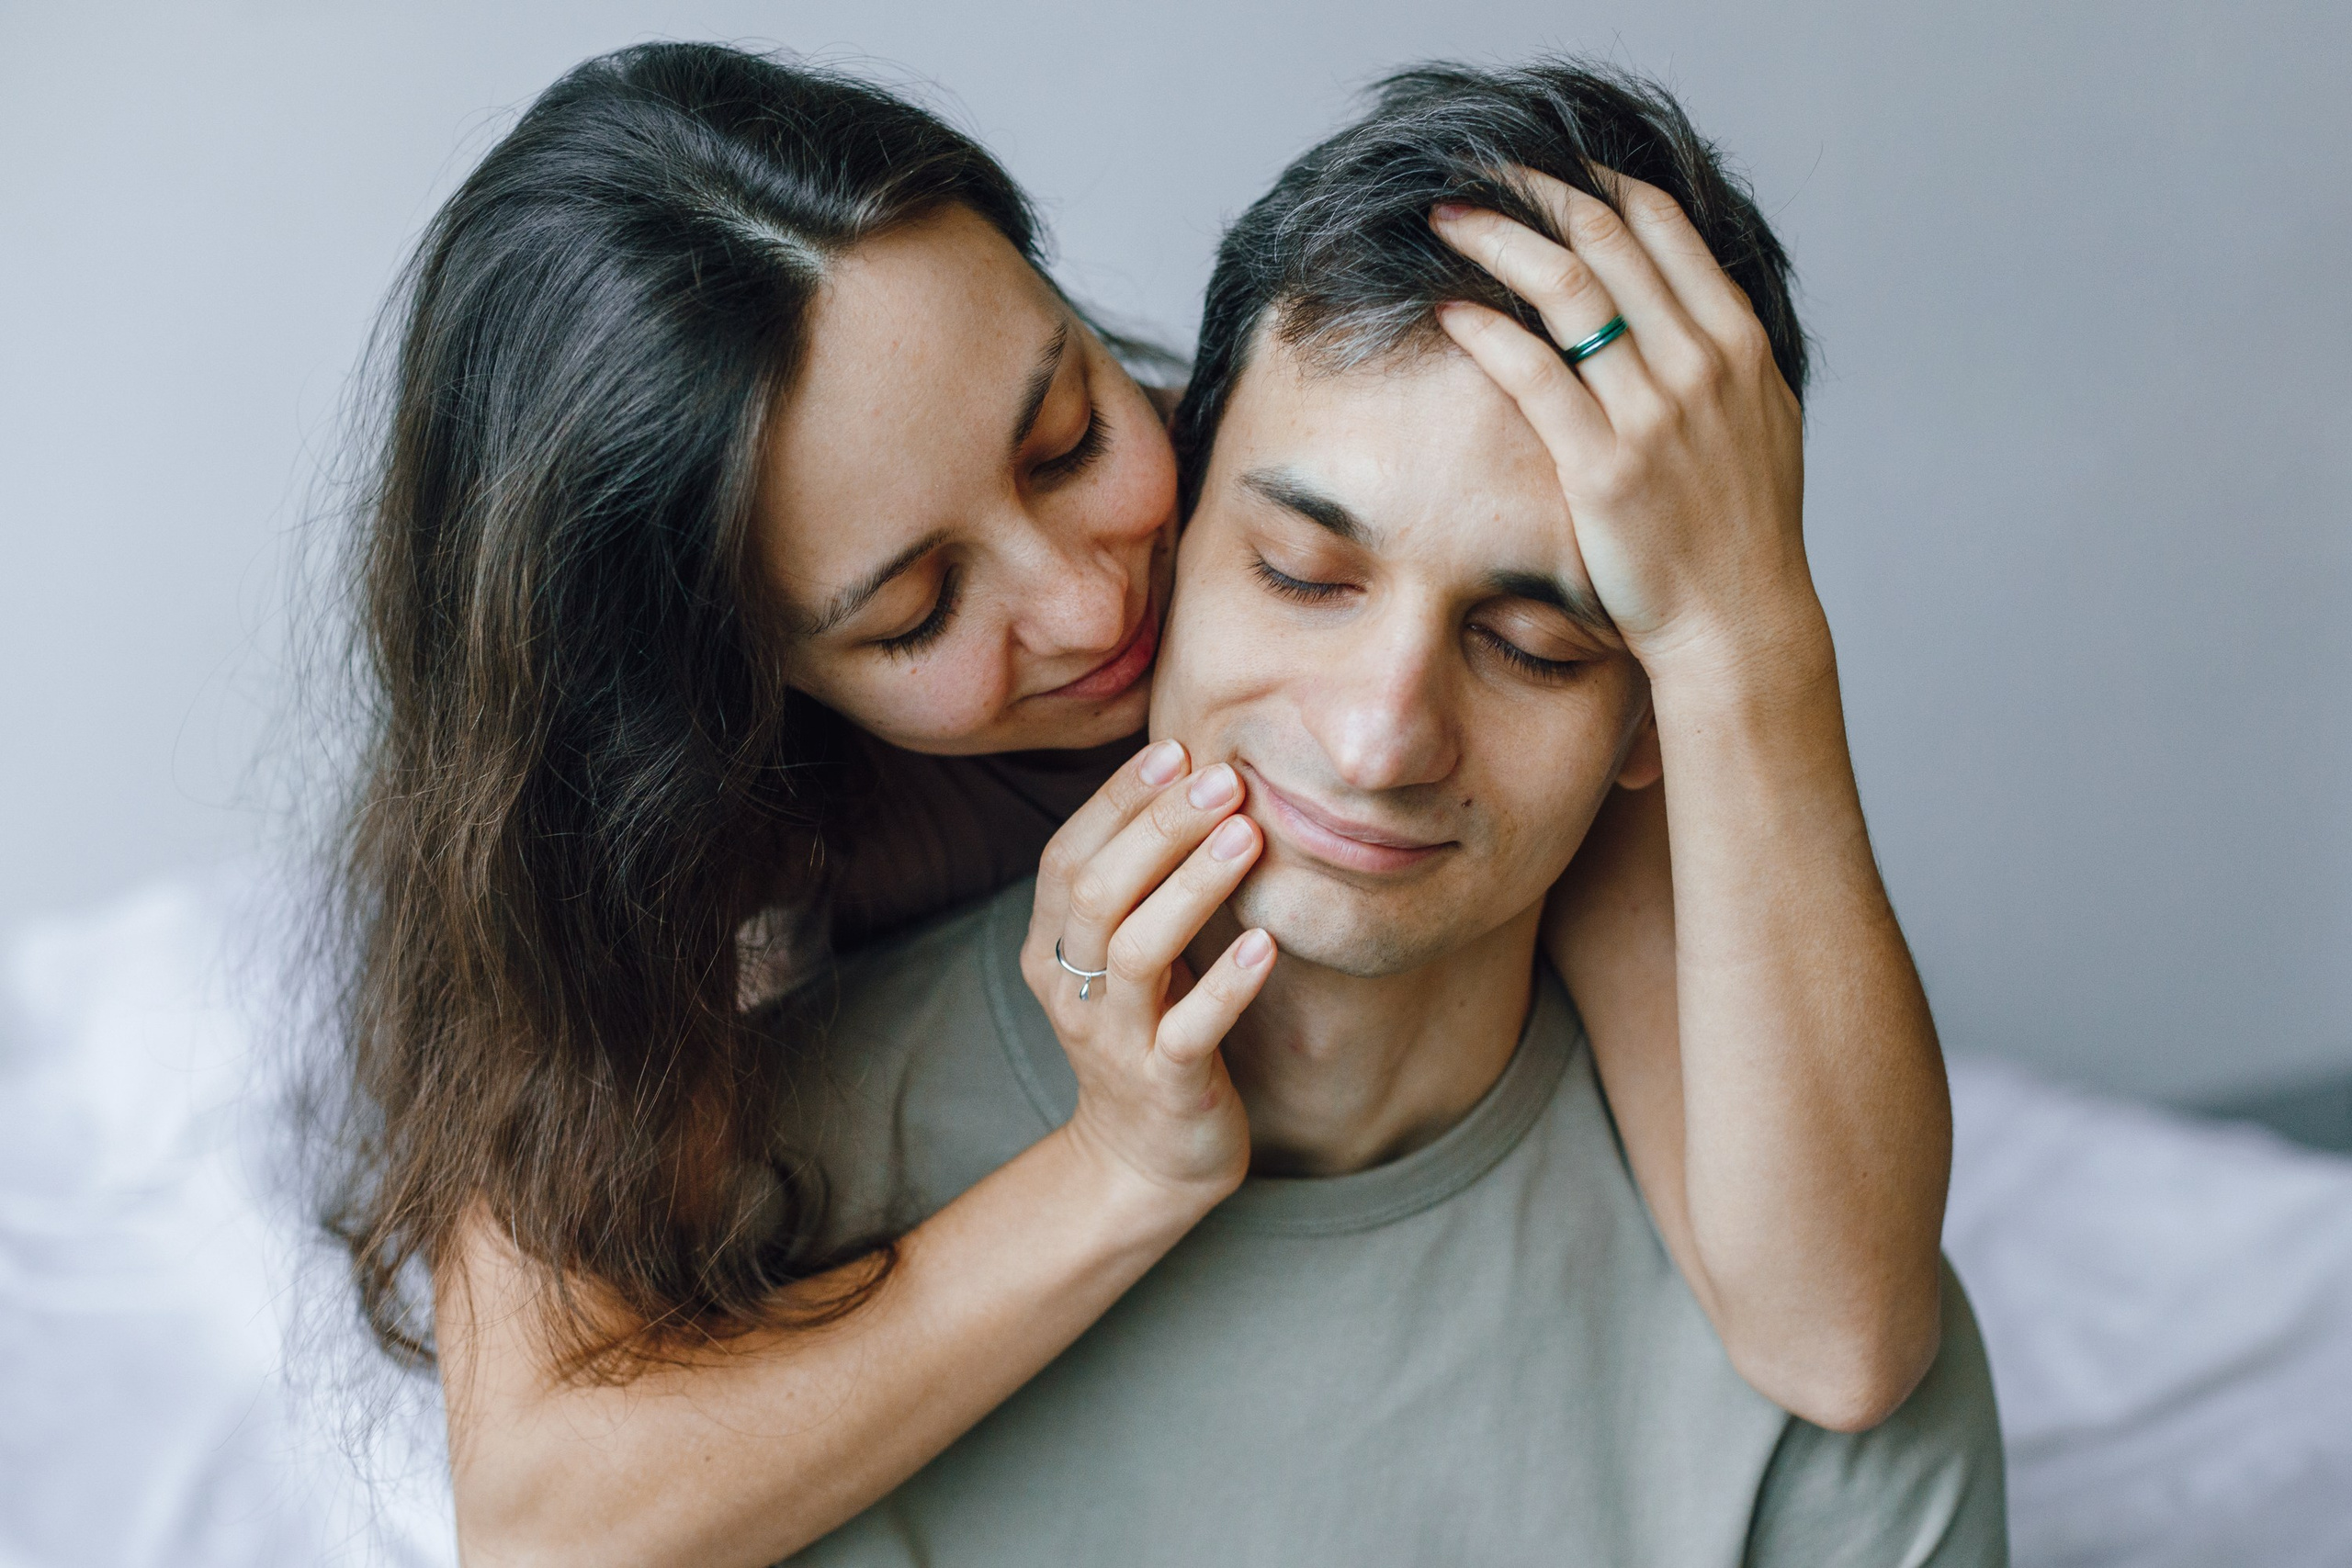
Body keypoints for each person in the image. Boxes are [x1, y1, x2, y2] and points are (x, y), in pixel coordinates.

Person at [328, 42, 1951, 1565]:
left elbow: (1838, 1329)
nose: (1101, 604)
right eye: (916, 612)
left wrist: (1744, 622)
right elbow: (551, 1518)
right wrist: (1122, 1175)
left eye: (1064, 434)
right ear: (735, 686)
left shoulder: (1357, 543)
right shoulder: (666, 879)